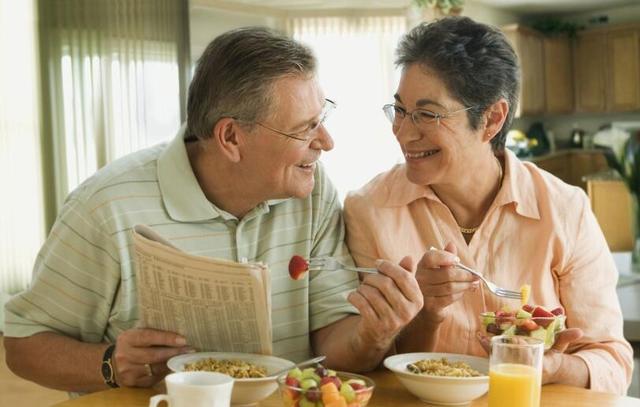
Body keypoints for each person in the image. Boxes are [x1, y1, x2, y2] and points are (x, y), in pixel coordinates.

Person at [4, 27, 423, 393]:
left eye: (322, 117)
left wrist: (374, 331)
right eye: (305, 128)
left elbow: (332, 342)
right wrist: (110, 363)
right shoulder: (106, 207)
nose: (326, 142)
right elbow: (23, 346)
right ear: (230, 137)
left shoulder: (312, 195)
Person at [344, 17, 633, 395]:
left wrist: (552, 366)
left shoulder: (566, 210)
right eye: (399, 110)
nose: (403, 132)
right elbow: (369, 368)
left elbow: (613, 363)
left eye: (427, 114)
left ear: (492, 119)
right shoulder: (368, 209)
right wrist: (427, 313)